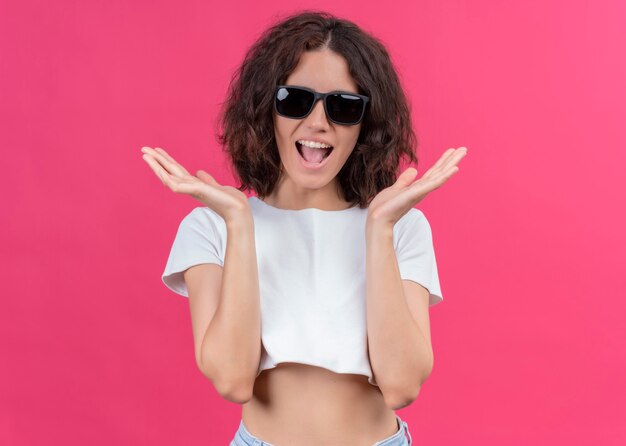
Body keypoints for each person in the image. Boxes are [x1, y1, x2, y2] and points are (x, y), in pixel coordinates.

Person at [141, 10, 467, 446]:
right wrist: (239, 223)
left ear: (365, 126)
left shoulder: (399, 225)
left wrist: (379, 231)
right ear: (266, 109)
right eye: (295, 100)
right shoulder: (212, 227)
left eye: (343, 107)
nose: (317, 123)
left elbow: (403, 385)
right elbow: (233, 380)